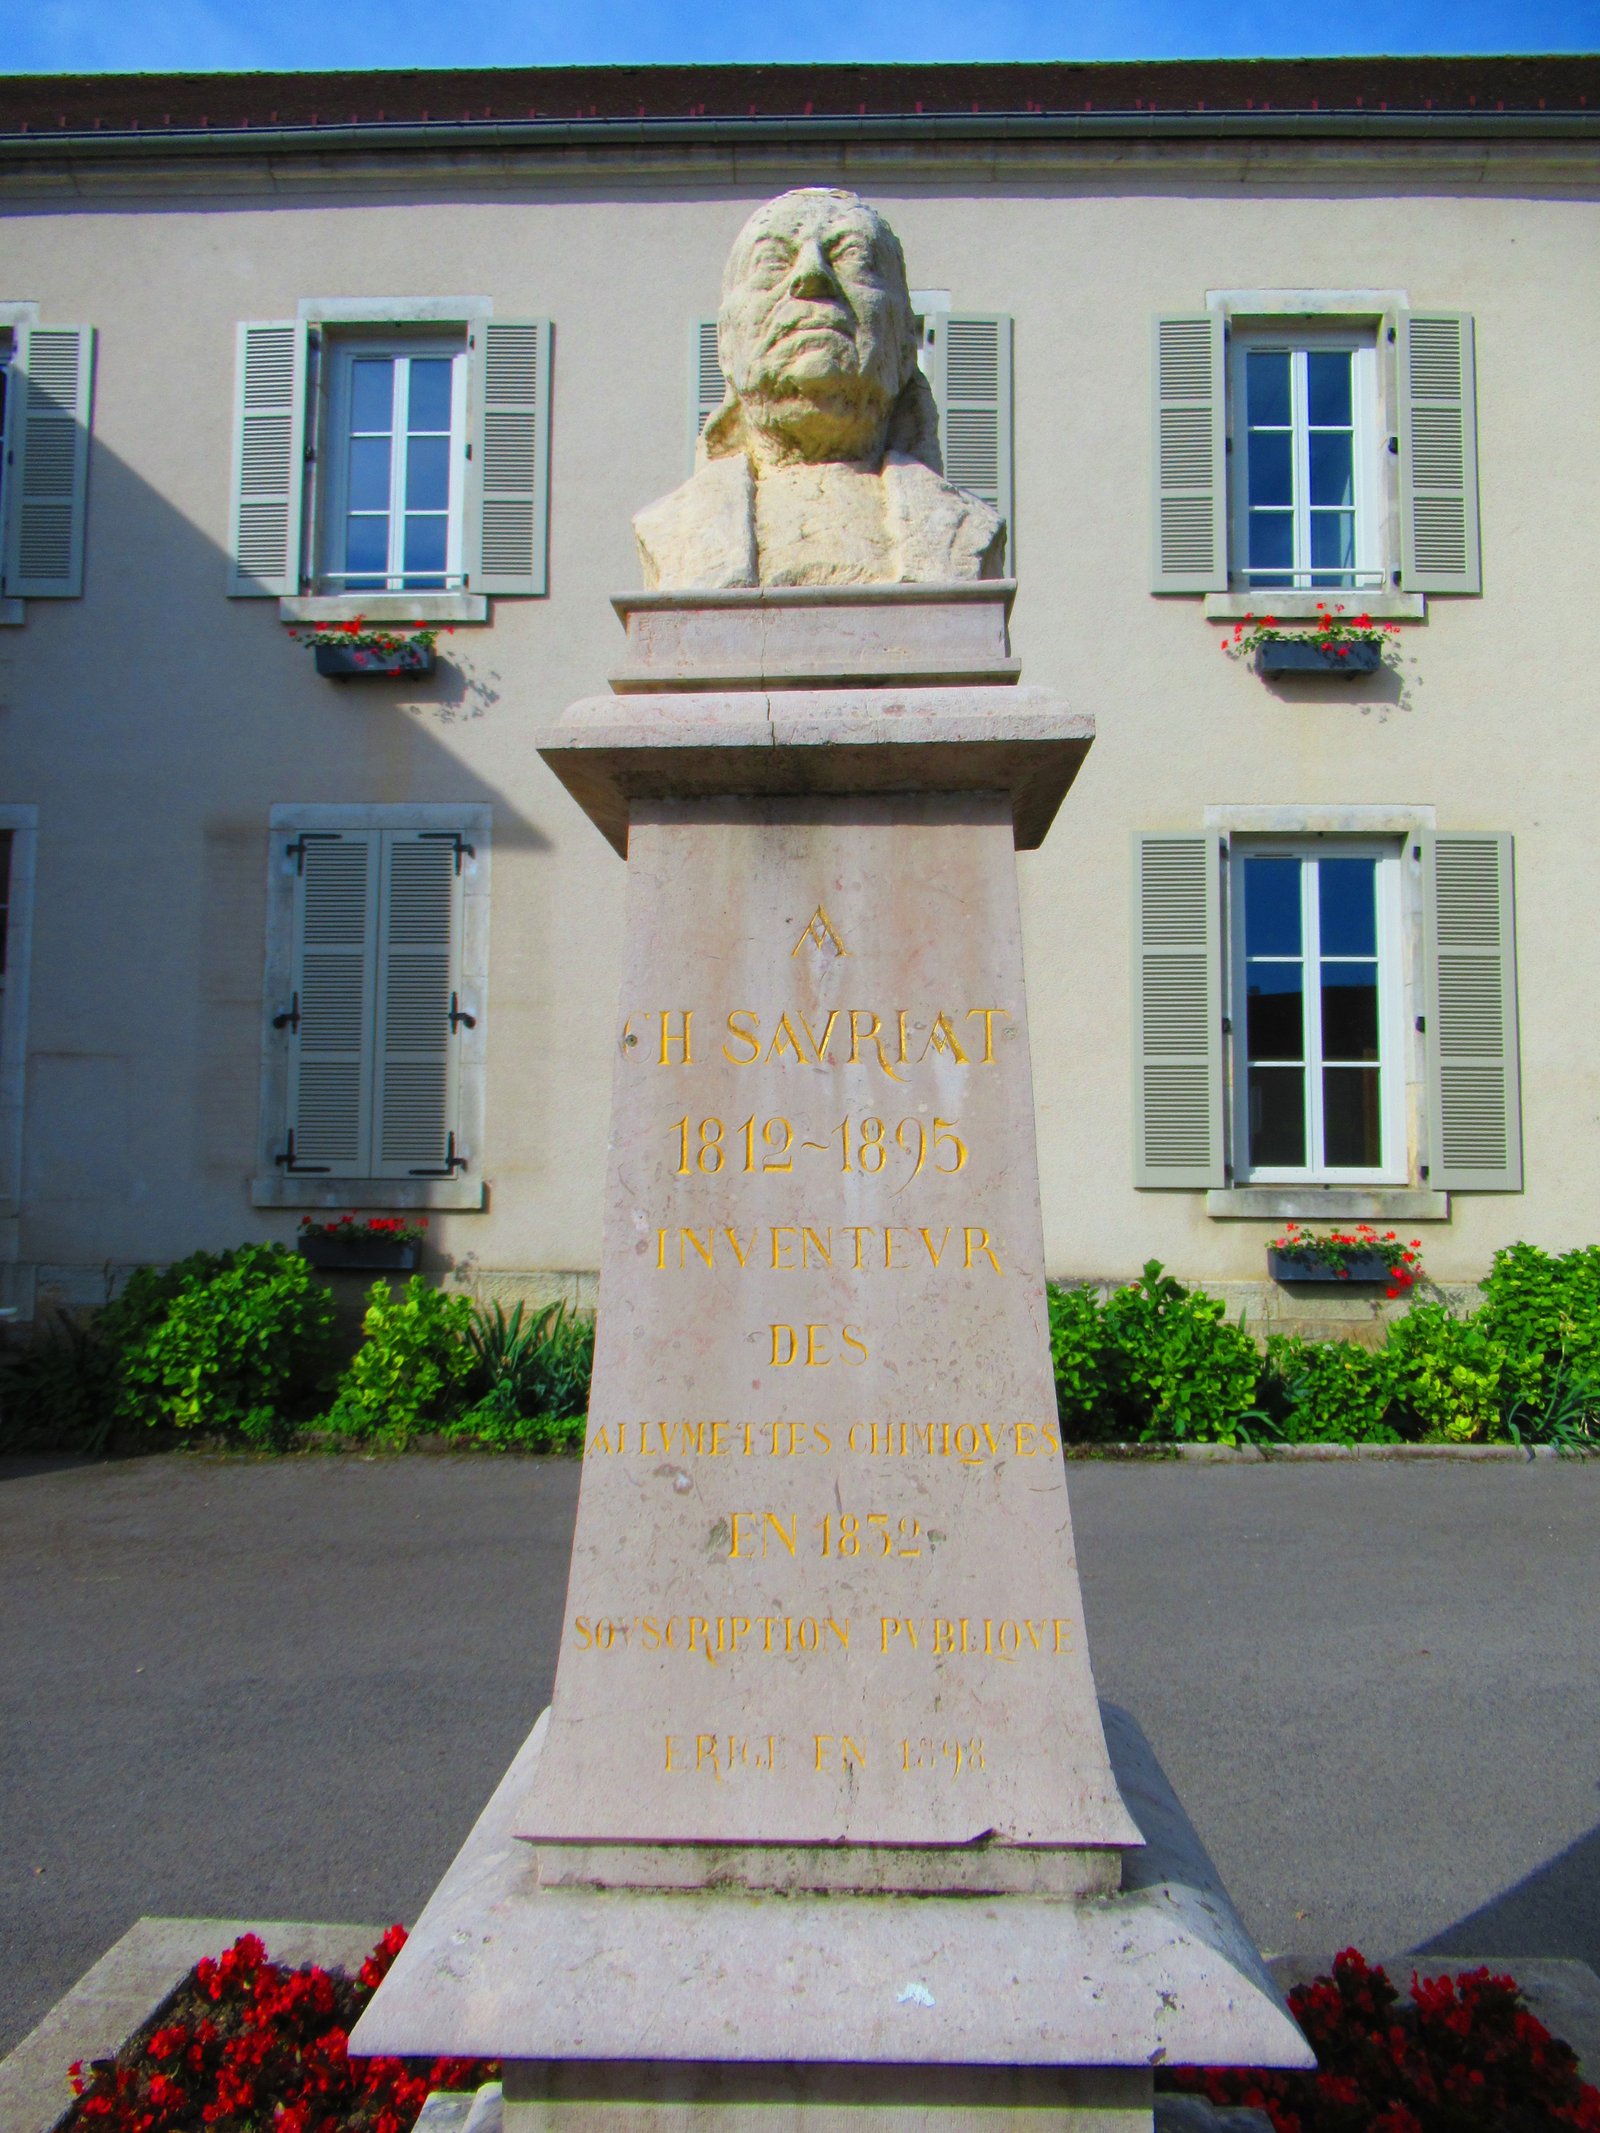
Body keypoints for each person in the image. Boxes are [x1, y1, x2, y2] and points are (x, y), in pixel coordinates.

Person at [634, 187, 1006, 589]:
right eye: (773, 262)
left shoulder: (968, 531)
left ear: (904, 343)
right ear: (727, 343)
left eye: (853, 258)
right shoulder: (671, 531)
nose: (812, 276)